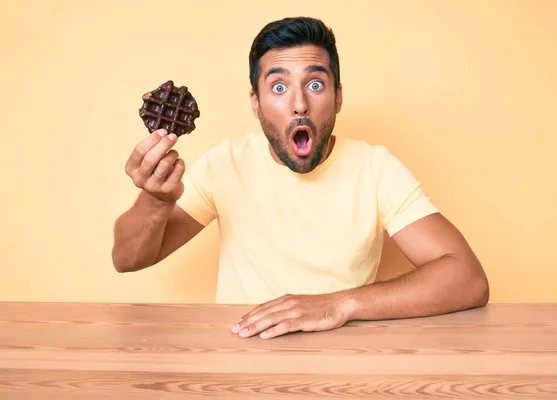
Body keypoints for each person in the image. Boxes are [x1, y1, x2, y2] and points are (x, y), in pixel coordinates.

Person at [112, 16, 489, 340]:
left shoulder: (375, 169)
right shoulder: (225, 163)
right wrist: (156, 200)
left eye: (315, 84)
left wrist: (336, 305)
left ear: (338, 97)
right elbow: (127, 259)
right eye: (279, 87)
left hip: (341, 362)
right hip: (244, 354)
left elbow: (468, 278)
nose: (298, 104)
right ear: (255, 103)